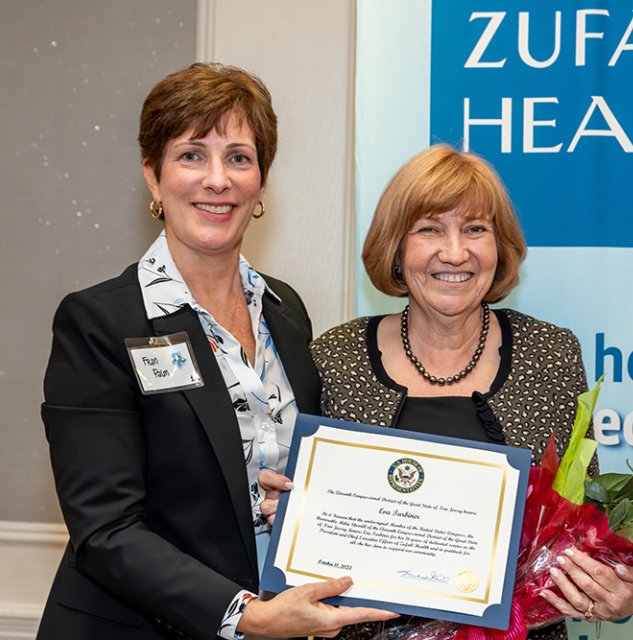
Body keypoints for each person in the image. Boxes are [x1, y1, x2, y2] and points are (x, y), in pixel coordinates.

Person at [37, 63, 395, 640]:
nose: (217, 179)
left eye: (238, 157)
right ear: (153, 177)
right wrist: (247, 616)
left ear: (261, 182)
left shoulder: (285, 310)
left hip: (281, 624)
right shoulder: (101, 322)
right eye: (191, 156)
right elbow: (106, 531)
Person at [310, 144, 633, 640]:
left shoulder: (550, 354)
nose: (454, 252)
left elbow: (580, 524)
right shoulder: (336, 357)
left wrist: (620, 590)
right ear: (396, 250)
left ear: (500, 247)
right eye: (429, 229)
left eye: (475, 229)